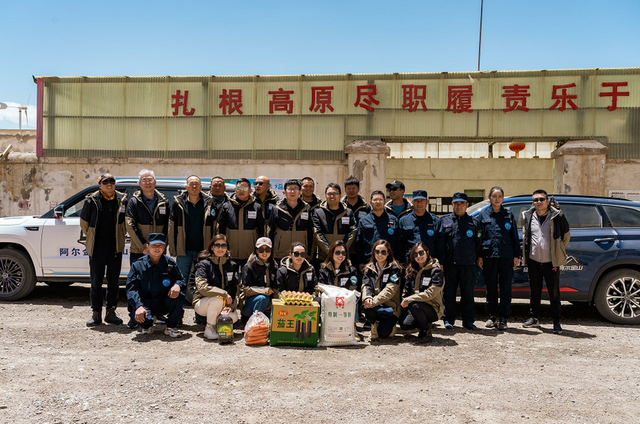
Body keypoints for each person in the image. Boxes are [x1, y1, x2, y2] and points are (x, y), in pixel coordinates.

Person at [125, 169, 170, 328]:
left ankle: (158, 313)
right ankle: (133, 315)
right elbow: (130, 225)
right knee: (136, 283)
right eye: (144, 180)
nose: (147, 182)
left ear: (155, 182)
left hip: (158, 252)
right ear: (139, 183)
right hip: (139, 250)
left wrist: (163, 246)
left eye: (150, 179)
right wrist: (143, 247)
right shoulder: (133, 201)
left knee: (159, 283)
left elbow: (168, 227)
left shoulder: (163, 201)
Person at [81, 173, 128, 327]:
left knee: (114, 282)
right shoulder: (91, 201)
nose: (109, 184)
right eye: (105, 182)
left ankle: (111, 313)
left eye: (112, 181)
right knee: (96, 282)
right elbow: (84, 223)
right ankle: (96, 314)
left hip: (115, 247)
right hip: (97, 248)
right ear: (100, 185)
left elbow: (126, 222)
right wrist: (92, 236)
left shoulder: (122, 200)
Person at [522, 189, 570, 334]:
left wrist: (557, 252)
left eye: (541, 199)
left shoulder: (558, 216)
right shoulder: (528, 216)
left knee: (554, 293)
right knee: (534, 292)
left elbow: (566, 237)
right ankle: (534, 318)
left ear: (547, 201)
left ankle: (556, 321)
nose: (539, 202)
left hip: (551, 262)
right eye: (535, 200)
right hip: (534, 261)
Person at [126, 233, 186, 337]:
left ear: (164, 247)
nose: (157, 248)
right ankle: (148, 324)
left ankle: (171, 327)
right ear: (147, 247)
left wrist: (177, 285)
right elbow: (131, 289)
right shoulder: (138, 265)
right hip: (145, 303)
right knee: (144, 320)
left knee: (179, 295)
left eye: (160, 246)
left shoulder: (170, 264)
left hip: (164, 302)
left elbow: (180, 279)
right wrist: (138, 306)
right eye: (154, 245)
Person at [478, 186, 521, 330]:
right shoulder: (483, 215)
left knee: (505, 288)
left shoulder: (508, 215)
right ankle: (491, 316)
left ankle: (504, 318)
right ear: (489, 198)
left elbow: (515, 236)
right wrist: (479, 255)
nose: (497, 199)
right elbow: (479, 237)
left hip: (506, 256)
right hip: (489, 256)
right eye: (494, 196)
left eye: (500, 196)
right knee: (491, 288)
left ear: (503, 198)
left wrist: (516, 255)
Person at [441, 192, 482, 330]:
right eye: (456, 203)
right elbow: (440, 243)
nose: (459, 206)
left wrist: (478, 257)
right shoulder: (444, 221)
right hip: (449, 264)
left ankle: (468, 320)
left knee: (468, 293)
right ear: (452, 204)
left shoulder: (474, 222)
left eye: (462, 204)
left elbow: (478, 242)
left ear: (467, 205)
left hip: (468, 264)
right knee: (449, 293)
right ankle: (448, 319)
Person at [192, 234, 240, 340]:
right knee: (217, 299)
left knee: (234, 317)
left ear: (227, 248)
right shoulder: (204, 264)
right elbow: (202, 288)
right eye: (217, 245)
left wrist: (232, 305)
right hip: (202, 303)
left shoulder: (232, 265)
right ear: (212, 247)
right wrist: (224, 294)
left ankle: (219, 326)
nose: (220, 248)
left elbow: (235, 288)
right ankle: (209, 328)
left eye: (223, 245)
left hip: (223, 303)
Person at [168, 175, 213, 285]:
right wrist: (173, 248)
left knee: (202, 281)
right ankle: (181, 297)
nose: (194, 186)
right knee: (181, 280)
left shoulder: (209, 203)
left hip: (203, 250)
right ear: (186, 187)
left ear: (201, 186)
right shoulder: (178, 203)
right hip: (184, 250)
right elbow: (172, 227)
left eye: (196, 184)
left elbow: (214, 227)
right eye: (191, 184)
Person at [400, 243, 444, 343]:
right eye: (415, 254)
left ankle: (425, 332)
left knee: (415, 305)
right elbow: (406, 291)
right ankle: (423, 322)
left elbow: (430, 293)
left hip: (433, 308)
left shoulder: (436, 271)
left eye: (421, 253)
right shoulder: (411, 270)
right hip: (416, 306)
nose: (418, 256)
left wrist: (409, 299)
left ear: (427, 252)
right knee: (405, 325)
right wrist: (404, 300)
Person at [218, 178, 265, 268]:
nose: (241, 191)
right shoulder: (226, 206)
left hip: (250, 253)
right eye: (239, 188)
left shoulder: (256, 207)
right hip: (231, 253)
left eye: (245, 188)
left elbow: (261, 230)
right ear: (235, 190)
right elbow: (221, 229)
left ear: (250, 190)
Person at [361, 239, 403, 340]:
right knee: (367, 310)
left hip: (391, 307)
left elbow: (390, 290)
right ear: (373, 252)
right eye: (377, 252)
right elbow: (366, 286)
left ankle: (389, 325)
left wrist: (373, 302)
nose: (380, 254)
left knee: (383, 334)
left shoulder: (394, 269)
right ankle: (374, 323)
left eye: (383, 252)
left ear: (388, 253)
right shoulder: (368, 269)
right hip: (375, 306)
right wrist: (367, 298)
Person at [268, 179, 313, 263]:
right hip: (280, 253)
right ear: (285, 192)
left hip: (300, 254)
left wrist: (309, 254)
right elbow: (270, 231)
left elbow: (310, 232)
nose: (292, 191)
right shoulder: (277, 208)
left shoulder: (306, 209)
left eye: (295, 188)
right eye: (289, 189)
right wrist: (270, 252)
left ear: (300, 192)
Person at [312, 183, 357, 264]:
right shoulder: (318, 212)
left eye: (335, 194)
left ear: (340, 195)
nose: (332, 196)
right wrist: (330, 251)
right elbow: (317, 233)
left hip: (343, 256)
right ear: (325, 195)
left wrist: (341, 251)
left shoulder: (348, 212)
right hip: (323, 256)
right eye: (329, 194)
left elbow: (352, 231)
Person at [356, 190, 400, 269]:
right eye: (375, 200)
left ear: (384, 201)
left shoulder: (393, 219)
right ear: (370, 202)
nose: (378, 202)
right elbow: (359, 243)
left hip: (389, 260)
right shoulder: (364, 221)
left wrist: (397, 259)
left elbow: (398, 242)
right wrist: (360, 262)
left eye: (380, 199)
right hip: (369, 260)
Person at [239, 237, 279, 325]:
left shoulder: (274, 266)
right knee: (262, 298)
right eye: (261, 250)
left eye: (267, 250)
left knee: (274, 321)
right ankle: (255, 325)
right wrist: (264, 291)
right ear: (256, 251)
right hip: (249, 303)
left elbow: (276, 288)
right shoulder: (248, 266)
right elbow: (246, 290)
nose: (264, 252)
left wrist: (271, 304)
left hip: (267, 304)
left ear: (271, 251)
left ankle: (258, 321)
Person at [398, 190, 443, 264]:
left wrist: (441, 263)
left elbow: (440, 245)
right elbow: (399, 244)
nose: (419, 203)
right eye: (416, 201)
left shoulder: (435, 221)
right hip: (410, 262)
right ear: (412, 202)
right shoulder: (404, 220)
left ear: (427, 202)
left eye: (422, 201)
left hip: (430, 262)